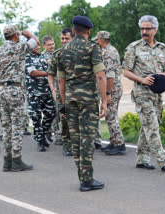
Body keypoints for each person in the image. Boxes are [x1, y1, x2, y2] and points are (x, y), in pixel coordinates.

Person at [57, 15, 107, 191]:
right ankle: (87, 180)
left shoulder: (62, 51)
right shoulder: (92, 48)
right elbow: (100, 76)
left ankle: (82, 177)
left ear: (72, 31)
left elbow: (61, 81)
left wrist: (64, 102)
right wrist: (105, 101)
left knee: (76, 138)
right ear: (88, 31)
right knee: (87, 137)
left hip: (70, 99)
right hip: (87, 100)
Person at [123, 15, 165, 172]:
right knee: (152, 127)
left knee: (150, 124)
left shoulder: (162, 48)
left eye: (148, 28)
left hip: (157, 93)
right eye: (142, 29)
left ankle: (142, 158)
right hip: (142, 93)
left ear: (155, 29)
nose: (144, 31)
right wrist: (142, 79)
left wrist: (162, 77)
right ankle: (162, 160)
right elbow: (125, 71)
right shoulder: (133, 48)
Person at [0, 25, 39, 172]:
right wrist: (28, 34)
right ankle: (16, 160)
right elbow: (36, 42)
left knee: (6, 127)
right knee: (17, 126)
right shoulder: (19, 47)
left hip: (2, 90)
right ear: (16, 35)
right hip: (16, 89)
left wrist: (1, 86)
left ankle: (6, 161)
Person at [94, 31, 126, 155]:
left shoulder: (108, 53)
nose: (96, 42)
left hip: (112, 88)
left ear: (102, 40)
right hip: (112, 88)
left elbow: (110, 76)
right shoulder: (111, 50)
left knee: (111, 116)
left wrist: (107, 94)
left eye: (97, 40)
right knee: (110, 115)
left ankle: (119, 144)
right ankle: (114, 142)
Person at [48, 27, 74, 156]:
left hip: (76, 92)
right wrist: (53, 89)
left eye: (66, 38)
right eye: (62, 39)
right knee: (64, 119)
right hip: (62, 92)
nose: (64, 41)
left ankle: (77, 144)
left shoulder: (79, 53)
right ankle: (67, 145)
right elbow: (50, 74)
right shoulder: (57, 54)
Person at [25, 44, 56, 152]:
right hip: (34, 93)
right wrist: (49, 73)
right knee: (36, 117)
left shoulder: (43, 57)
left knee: (51, 113)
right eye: (35, 46)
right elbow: (33, 73)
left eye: (38, 45)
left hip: (47, 92)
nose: (38, 47)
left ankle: (42, 134)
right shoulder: (27, 57)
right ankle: (40, 141)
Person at [40, 35, 62, 145]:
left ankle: (56, 134)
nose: (52, 46)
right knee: (50, 112)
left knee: (57, 111)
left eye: (53, 44)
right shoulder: (41, 57)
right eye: (49, 45)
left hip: (58, 87)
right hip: (46, 88)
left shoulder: (58, 54)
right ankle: (52, 133)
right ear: (44, 45)